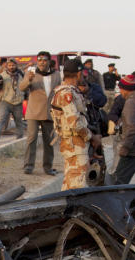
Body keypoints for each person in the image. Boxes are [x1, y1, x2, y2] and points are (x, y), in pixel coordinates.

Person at [50, 59, 93, 191]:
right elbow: (75, 123)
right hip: (75, 143)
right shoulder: (66, 93)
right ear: (78, 74)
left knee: (71, 181)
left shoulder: (69, 91)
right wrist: (90, 136)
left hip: (73, 143)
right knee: (78, 184)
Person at [19, 51, 60, 176]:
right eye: (40, 60)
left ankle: (48, 168)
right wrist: (28, 81)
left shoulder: (57, 75)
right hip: (33, 113)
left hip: (49, 113)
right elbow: (22, 87)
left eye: (45, 60)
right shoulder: (31, 74)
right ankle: (28, 166)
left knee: (49, 142)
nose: (42, 62)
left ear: (49, 61)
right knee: (31, 140)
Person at [0, 57, 24, 146]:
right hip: (5, 101)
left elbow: (25, 86)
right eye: (9, 65)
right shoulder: (2, 75)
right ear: (7, 66)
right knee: (0, 121)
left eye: (13, 65)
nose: (11, 67)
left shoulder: (21, 75)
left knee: (19, 122)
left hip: (18, 102)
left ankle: (19, 141)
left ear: (16, 65)